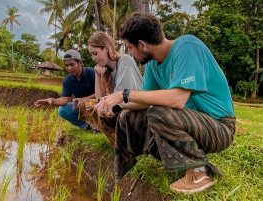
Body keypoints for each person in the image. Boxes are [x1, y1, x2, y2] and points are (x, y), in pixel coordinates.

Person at [94, 12, 236, 194]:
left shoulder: (187, 47)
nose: (129, 53)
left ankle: (199, 173)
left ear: (142, 45)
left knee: (158, 113)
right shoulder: (153, 64)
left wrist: (124, 94)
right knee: (128, 117)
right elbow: (142, 100)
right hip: (191, 123)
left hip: (219, 126)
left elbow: (177, 99)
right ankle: (178, 163)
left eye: (130, 47)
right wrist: (115, 105)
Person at [78, 31, 143, 146]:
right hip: (122, 108)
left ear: (106, 49)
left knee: (104, 108)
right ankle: (118, 143)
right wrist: (98, 76)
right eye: (91, 55)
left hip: (137, 110)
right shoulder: (109, 72)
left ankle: (126, 145)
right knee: (87, 105)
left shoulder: (125, 60)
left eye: (95, 53)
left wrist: (104, 104)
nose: (93, 58)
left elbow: (121, 98)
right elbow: (99, 99)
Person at [34, 49, 95, 130]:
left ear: (80, 63)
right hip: (82, 107)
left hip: (97, 104)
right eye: (66, 65)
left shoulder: (92, 73)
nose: (69, 68)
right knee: (62, 110)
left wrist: (84, 100)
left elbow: (102, 94)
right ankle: (86, 126)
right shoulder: (67, 81)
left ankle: (97, 125)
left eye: (72, 64)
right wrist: (51, 101)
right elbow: (64, 100)